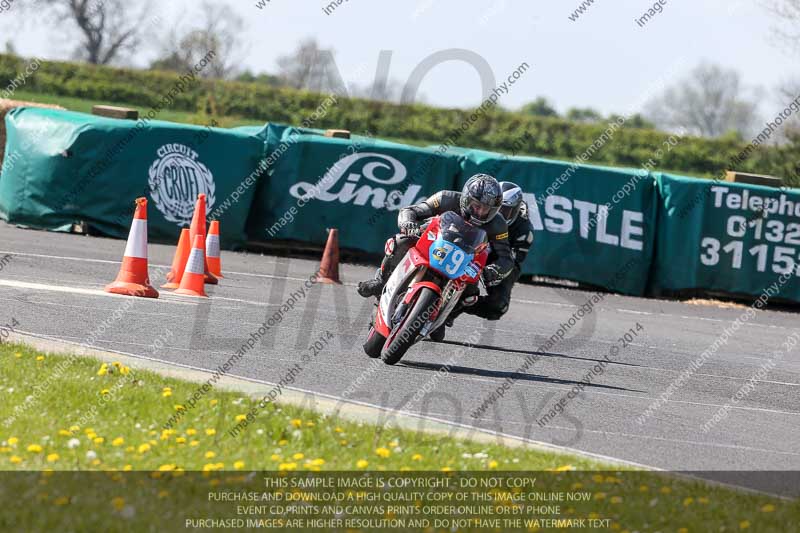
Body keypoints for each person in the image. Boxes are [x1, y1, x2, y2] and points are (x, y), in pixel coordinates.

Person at [357, 174, 515, 303]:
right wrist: (409, 223)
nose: (480, 212)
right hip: (434, 240)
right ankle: (381, 281)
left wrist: (494, 270)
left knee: (471, 295)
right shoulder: (446, 198)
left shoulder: (498, 224)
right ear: (466, 199)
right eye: (476, 205)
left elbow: (506, 257)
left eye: (486, 209)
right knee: (401, 241)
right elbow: (412, 210)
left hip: (466, 259)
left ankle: (446, 315)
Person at [462, 181, 534, 321]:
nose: (498, 214)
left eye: (504, 210)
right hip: (473, 247)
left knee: (498, 305)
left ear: (516, 209)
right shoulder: (481, 211)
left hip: (500, 257)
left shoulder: (524, 231)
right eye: (496, 208)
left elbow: (511, 262)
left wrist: (494, 270)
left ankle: (459, 307)